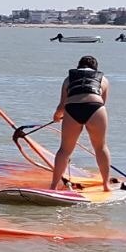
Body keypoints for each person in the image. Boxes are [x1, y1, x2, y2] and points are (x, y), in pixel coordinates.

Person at [51, 55, 112, 191]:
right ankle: (106, 185)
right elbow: (102, 102)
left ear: (78, 66)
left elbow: (62, 106)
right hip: (95, 109)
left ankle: (53, 186)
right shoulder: (104, 80)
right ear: (95, 68)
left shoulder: (68, 79)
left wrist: (57, 116)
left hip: (72, 109)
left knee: (64, 150)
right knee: (101, 147)